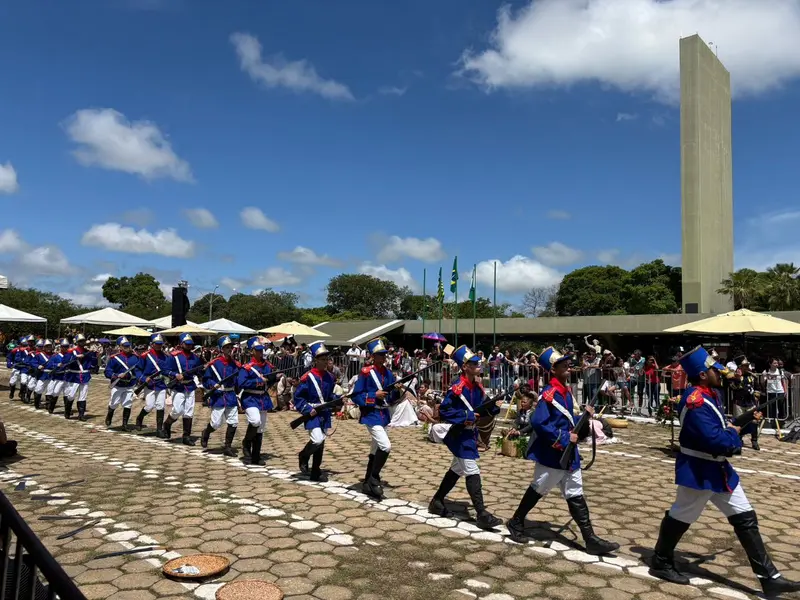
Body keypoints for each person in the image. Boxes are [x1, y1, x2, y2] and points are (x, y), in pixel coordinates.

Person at [648, 346, 800, 597]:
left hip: (718, 470)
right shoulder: (696, 400)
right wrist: (734, 433)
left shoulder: (710, 395)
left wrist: (743, 423)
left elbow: (722, 426)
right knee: (681, 515)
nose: (720, 374)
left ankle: (769, 577)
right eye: (714, 370)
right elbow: (717, 440)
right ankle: (661, 561)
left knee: (745, 517)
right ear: (702, 375)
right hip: (699, 471)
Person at [506, 347, 619, 555]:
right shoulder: (550, 393)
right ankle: (516, 521)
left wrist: (584, 417)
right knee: (538, 488)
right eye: (563, 365)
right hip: (553, 453)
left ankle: (590, 539)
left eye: (568, 364)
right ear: (553, 369)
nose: (569, 367)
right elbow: (538, 422)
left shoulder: (564, 391)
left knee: (575, 493)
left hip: (568, 454)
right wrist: (566, 438)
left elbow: (567, 420)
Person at [428, 345, 503, 529]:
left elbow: (483, 406)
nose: (478, 365)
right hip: (459, 436)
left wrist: (495, 406)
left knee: (456, 470)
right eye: (474, 363)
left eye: (478, 363)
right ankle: (482, 513)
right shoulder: (457, 387)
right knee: (472, 470)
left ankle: (437, 501)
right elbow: (445, 411)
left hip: (469, 434)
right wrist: (467, 416)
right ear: (465, 367)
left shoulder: (476, 385)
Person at [351, 338, 401, 499]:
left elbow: (391, 397)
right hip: (371, 415)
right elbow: (356, 396)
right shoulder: (366, 373)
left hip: (383, 415)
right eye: (380, 354)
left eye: (384, 354)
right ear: (373, 356)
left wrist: (397, 390)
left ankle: (367, 482)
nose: (383, 357)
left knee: (375, 450)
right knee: (385, 446)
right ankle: (374, 478)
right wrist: (374, 395)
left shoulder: (388, 373)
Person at [293, 342, 338, 481]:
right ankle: (304, 455)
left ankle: (316, 470)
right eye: (322, 359)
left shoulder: (330, 377)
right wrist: (307, 409)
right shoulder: (307, 377)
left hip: (324, 412)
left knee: (321, 441)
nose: (325, 362)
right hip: (312, 412)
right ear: (315, 360)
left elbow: (329, 396)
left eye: (326, 359)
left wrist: (337, 400)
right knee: (317, 439)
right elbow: (298, 397)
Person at [237, 336, 277, 465]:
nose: (261, 352)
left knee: (260, 428)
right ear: (252, 351)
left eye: (262, 350)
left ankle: (256, 457)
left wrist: (274, 378)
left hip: (263, 398)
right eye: (258, 350)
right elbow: (242, 382)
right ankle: (246, 442)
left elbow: (269, 382)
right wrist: (259, 381)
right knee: (255, 421)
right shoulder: (247, 367)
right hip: (250, 398)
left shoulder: (268, 366)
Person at [200, 336, 241, 456]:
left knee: (233, 422)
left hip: (230, 395)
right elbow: (206, 380)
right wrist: (213, 385)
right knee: (216, 423)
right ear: (221, 349)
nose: (229, 349)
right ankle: (206, 432)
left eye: (230, 347)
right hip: (218, 396)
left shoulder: (235, 364)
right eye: (226, 347)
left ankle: (227, 447)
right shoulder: (214, 364)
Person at [162, 333, 204, 446]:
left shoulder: (195, 357)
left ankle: (186, 436)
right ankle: (167, 424)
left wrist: (203, 370)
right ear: (181, 344)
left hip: (190, 386)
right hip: (178, 387)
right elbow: (165, 370)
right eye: (187, 344)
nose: (189, 346)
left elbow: (199, 371)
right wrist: (175, 374)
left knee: (189, 412)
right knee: (177, 410)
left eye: (191, 344)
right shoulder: (174, 356)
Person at [135, 333, 169, 436]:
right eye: (157, 344)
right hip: (150, 384)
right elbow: (138, 369)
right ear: (152, 344)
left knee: (161, 406)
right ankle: (139, 418)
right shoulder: (145, 356)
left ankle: (159, 430)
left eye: (160, 344)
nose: (159, 346)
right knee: (149, 406)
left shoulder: (165, 356)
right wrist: (144, 378)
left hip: (161, 384)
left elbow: (167, 369)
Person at [103, 336, 140, 430]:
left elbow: (138, 370)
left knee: (128, 404)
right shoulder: (114, 358)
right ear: (120, 347)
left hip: (130, 384)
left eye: (128, 346)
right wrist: (116, 375)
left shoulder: (135, 358)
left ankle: (125, 424)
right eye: (124, 346)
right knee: (114, 403)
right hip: (118, 384)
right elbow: (107, 371)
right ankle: (109, 415)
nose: (127, 347)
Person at [62, 334, 97, 421]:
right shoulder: (71, 351)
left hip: (84, 376)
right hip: (74, 376)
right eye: (80, 341)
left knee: (83, 396)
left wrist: (94, 353)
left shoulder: (87, 351)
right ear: (77, 342)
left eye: (83, 341)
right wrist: (75, 357)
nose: (82, 342)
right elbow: (65, 362)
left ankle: (81, 415)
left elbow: (93, 363)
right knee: (71, 395)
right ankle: (67, 411)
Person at [730, 357, 760, 451]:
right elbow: (733, 387)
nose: (747, 367)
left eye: (747, 365)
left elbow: (757, 387)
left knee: (754, 421)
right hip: (739, 402)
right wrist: (737, 379)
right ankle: (739, 439)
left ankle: (754, 440)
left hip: (750, 402)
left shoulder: (751, 375)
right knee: (739, 422)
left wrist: (756, 395)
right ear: (740, 367)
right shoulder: (734, 376)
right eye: (745, 366)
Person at [44, 339, 71, 414]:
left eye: (67, 347)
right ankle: (51, 407)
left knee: (67, 394)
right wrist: (56, 365)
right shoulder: (55, 356)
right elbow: (49, 365)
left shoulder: (70, 355)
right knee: (55, 392)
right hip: (59, 377)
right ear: (61, 347)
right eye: (64, 347)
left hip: (67, 377)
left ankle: (67, 410)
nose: (65, 348)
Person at [30, 339, 54, 410]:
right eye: (47, 346)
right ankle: (37, 403)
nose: (48, 348)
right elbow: (32, 362)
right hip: (42, 375)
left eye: (50, 346)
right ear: (44, 347)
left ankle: (48, 405)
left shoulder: (54, 355)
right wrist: (38, 366)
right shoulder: (39, 355)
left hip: (51, 375)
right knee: (38, 389)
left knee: (50, 390)